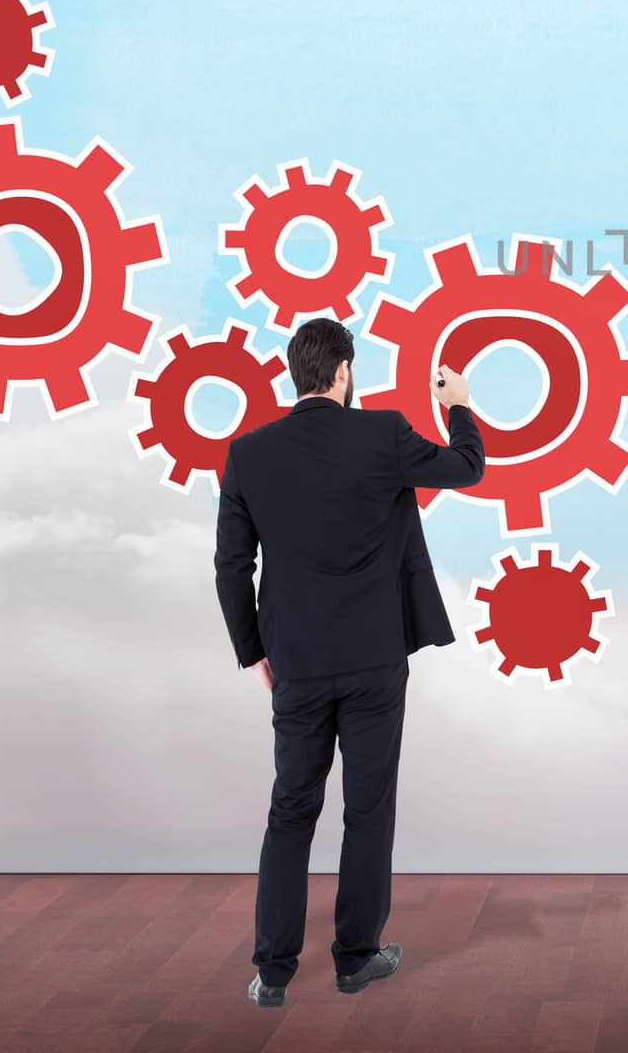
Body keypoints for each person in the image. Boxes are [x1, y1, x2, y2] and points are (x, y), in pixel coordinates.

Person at [214, 317, 485, 1007]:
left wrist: (255, 653)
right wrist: (456, 404)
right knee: (368, 811)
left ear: (295, 375)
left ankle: (272, 972)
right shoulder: (382, 433)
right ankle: (355, 958)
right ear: (341, 372)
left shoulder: (249, 454)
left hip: (296, 664)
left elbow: (230, 568)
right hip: (373, 662)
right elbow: (466, 469)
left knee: (290, 812)